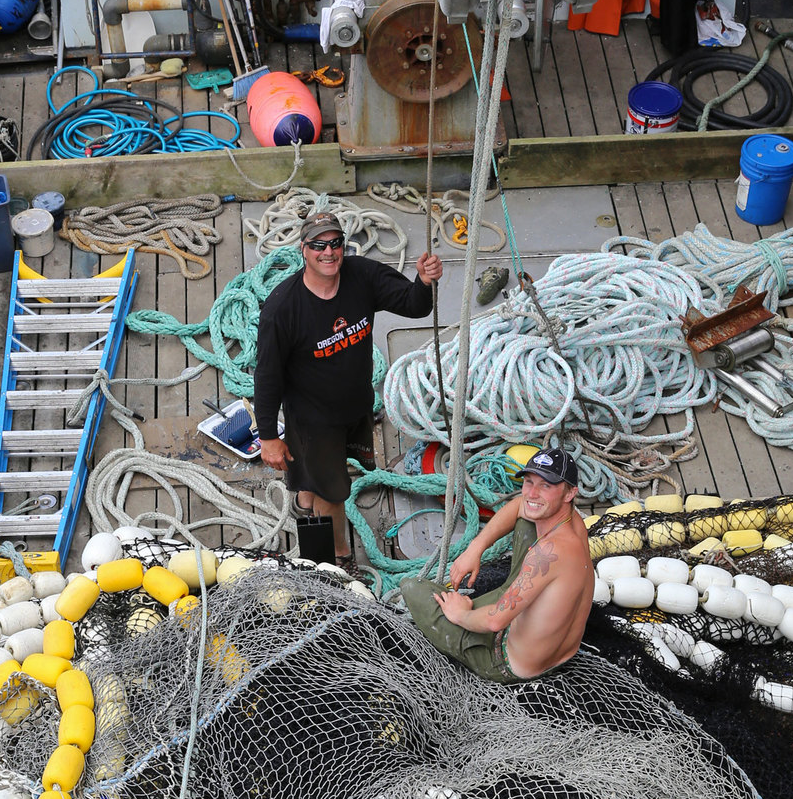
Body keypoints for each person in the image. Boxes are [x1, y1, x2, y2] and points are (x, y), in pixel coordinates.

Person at [254, 212, 443, 565]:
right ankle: (338, 558)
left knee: (323, 482)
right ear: (304, 250)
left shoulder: (362, 275)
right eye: (318, 245)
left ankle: (304, 503)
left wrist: (424, 281)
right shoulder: (283, 309)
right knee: (335, 492)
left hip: (356, 407)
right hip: (313, 421)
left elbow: (414, 305)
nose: (329, 252)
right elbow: (267, 377)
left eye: (335, 243)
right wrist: (267, 436)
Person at [400, 447, 594, 683]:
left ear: (569, 493)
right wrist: (475, 549)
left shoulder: (547, 553)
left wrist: (460, 614)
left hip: (505, 663)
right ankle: (508, 592)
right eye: (529, 482)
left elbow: (495, 621)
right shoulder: (574, 524)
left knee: (413, 587)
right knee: (528, 519)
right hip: (559, 653)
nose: (532, 493)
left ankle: (478, 626)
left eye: (546, 486)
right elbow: (519, 505)